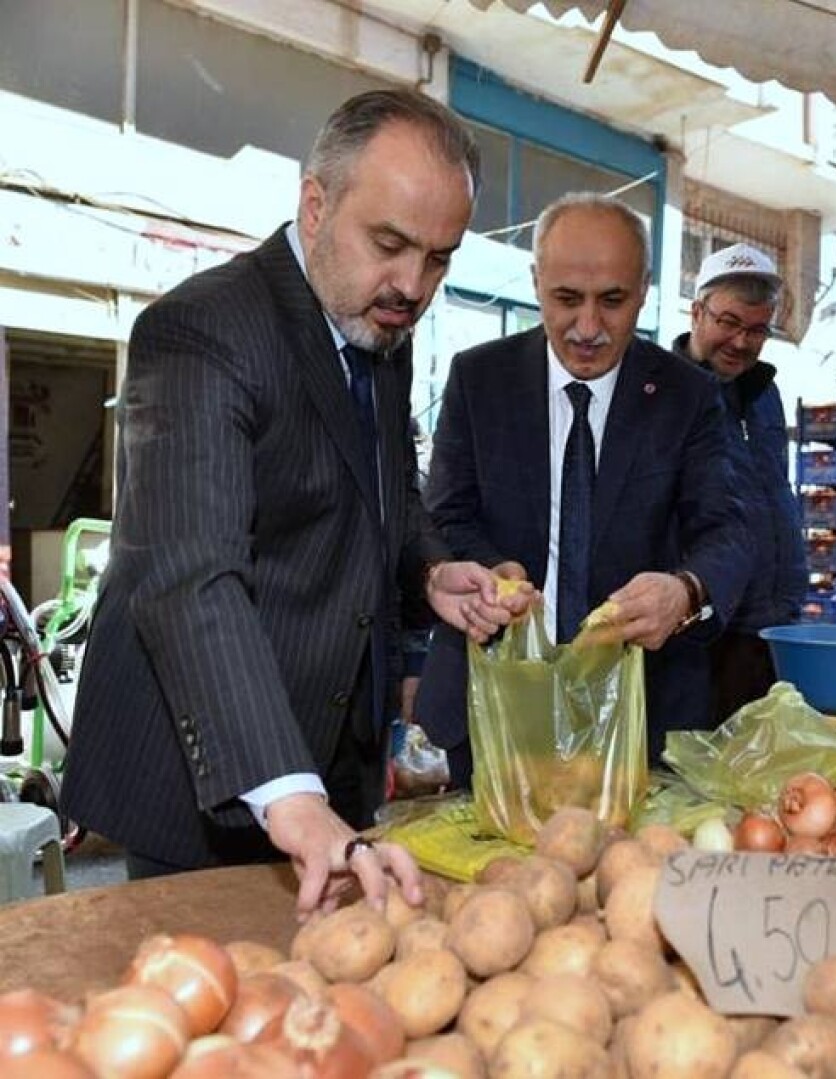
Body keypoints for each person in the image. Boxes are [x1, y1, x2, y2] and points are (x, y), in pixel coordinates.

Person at [62, 90, 532, 917]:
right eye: (390, 244)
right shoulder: (202, 330)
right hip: (202, 776)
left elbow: (383, 491)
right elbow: (190, 573)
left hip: (332, 763)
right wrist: (289, 793)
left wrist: (427, 569)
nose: (413, 285)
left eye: (439, 259)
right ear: (315, 204)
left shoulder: (379, 326)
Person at [416, 193, 751, 785]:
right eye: (566, 299)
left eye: (613, 302)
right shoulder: (478, 379)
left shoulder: (688, 396)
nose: (589, 328)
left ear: (645, 289)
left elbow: (727, 530)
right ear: (536, 281)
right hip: (493, 708)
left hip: (636, 721)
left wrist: (685, 590)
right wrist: (491, 571)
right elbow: (445, 517)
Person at [670, 244, 806, 722]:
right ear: (697, 312)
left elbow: (774, 495)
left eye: (757, 329)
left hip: (773, 626)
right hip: (704, 634)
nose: (742, 342)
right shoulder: (666, 394)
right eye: (728, 323)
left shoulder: (766, 395)